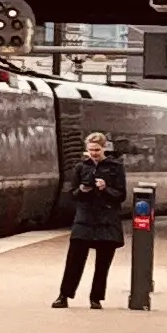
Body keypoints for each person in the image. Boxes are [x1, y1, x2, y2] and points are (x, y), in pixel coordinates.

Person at [55, 131, 128, 307]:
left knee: (102, 264)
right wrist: (81, 190)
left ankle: (96, 298)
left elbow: (121, 195)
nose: (93, 153)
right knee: (74, 261)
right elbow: (72, 194)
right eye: (90, 150)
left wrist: (105, 189)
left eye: (97, 149)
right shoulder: (81, 167)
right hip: (84, 219)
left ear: (104, 148)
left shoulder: (116, 167)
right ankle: (64, 295)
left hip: (107, 220)